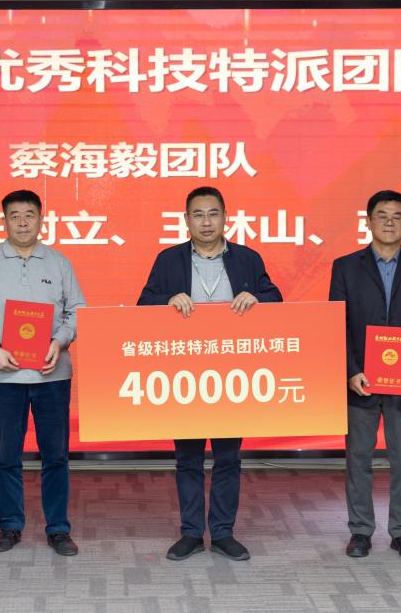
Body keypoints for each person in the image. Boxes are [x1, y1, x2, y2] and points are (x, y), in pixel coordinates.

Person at [137, 185, 282, 561]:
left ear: (225, 217)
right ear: (186, 220)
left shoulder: (247, 258)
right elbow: (143, 304)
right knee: (187, 458)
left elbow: (276, 299)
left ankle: (222, 532)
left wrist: (257, 298)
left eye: (213, 213)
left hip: (231, 375)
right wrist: (167, 301)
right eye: (198, 214)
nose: (206, 221)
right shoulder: (168, 260)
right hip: (185, 375)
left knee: (228, 458)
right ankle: (190, 532)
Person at [0, 189, 86, 556]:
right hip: (4, 375)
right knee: (7, 455)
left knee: (56, 455)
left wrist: (59, 342)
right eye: (14, 216)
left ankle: (58, 528)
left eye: (29, 215)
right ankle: (10, 526)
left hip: (52, 374)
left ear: (40, 219)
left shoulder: (59, 262)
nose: (22, 222)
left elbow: (77, 311)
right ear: (4, 221)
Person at [328, 190, 401, 559]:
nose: (389, 222)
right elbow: (336, 324)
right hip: (360, 382)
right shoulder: (345, 266)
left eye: (397, 217)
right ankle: (360, 531)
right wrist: (351, 371)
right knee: (358, 459)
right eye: (382, 215)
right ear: (368, 222)